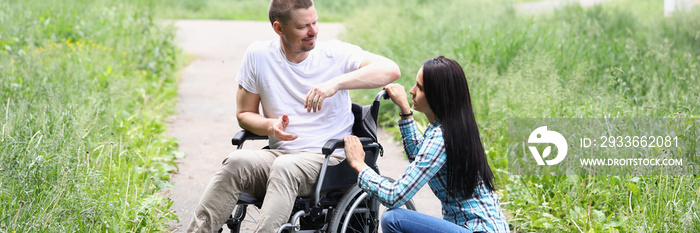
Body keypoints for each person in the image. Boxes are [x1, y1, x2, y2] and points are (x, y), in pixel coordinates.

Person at [186, 0, 401, 232]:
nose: (314, 31)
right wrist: (271, 126)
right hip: (280, 155)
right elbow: (245, 114)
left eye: (315, 22)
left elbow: (391, 70)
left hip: (329, 160)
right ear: (279, 28)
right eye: (303, 27)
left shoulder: (335, 54)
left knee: (286, 166)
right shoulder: (259, 55)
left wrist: (335, 84)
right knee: (236, 161)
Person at [343, 56, 509, 233]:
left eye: (419, 88)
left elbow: (394, 196)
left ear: (438, 96)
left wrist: (360, 165)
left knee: (393, 219)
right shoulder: (453, 126)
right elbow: (420, 157)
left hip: (476, 230)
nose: (411, 91)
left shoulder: (442, 138)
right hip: (483, 227)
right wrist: (406, 112)